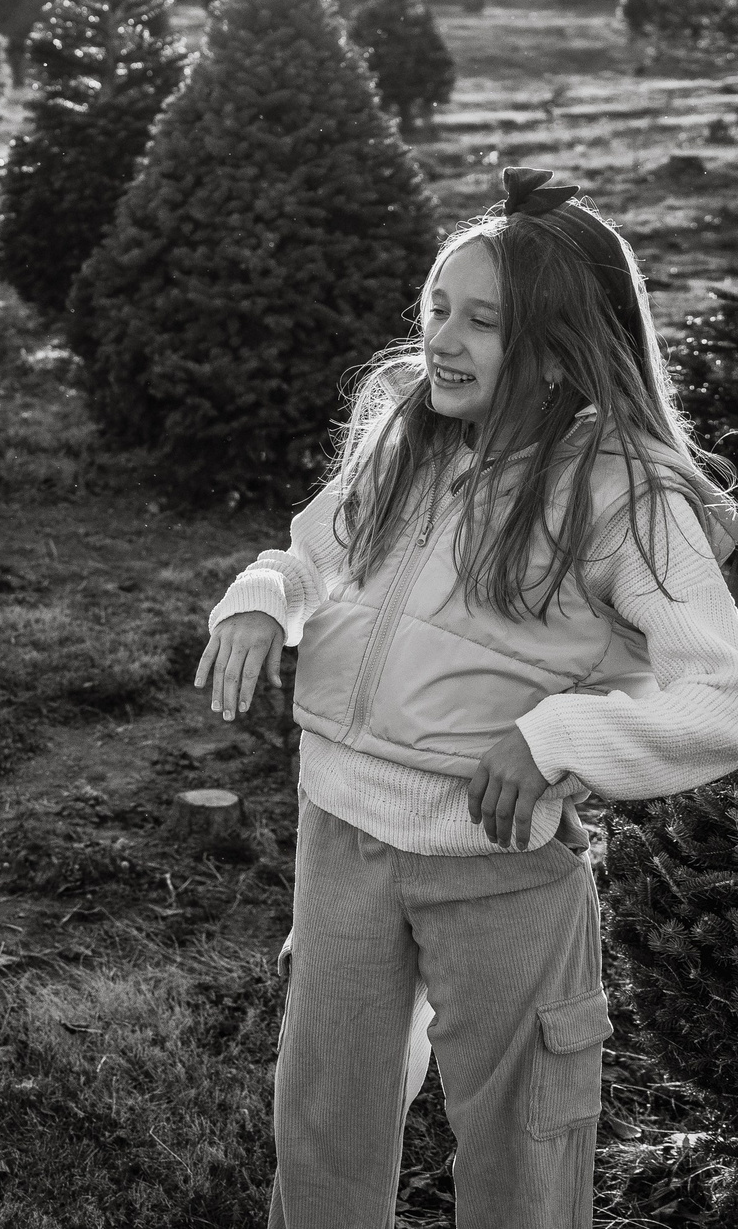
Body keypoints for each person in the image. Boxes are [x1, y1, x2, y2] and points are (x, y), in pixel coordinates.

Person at [195, 167, 738, 1229]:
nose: (442, 339)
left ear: (557, 345)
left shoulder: (622, 491)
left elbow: (722, 691)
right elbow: (315, 555)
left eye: (481, 322)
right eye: (437, 308)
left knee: (521, 1147)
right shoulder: (406, 432)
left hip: (499, 865)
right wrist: (261, 599)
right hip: (340, 839)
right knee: (321, 1126)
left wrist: (556, 739)